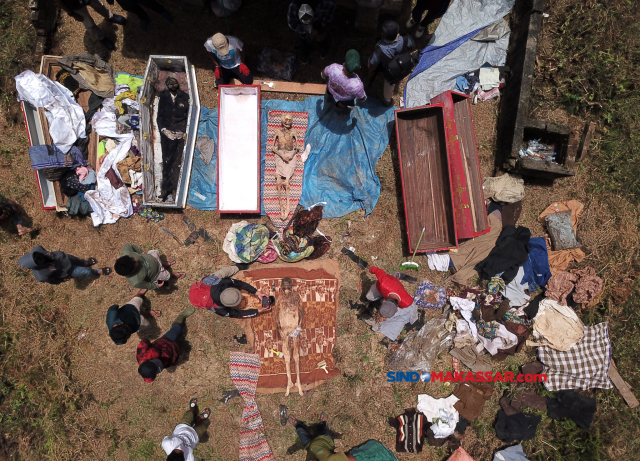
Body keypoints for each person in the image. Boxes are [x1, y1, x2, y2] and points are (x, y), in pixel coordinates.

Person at [137, 306, 195, 383]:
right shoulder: (148, 374)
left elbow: (144, 341)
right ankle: (180, 345)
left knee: (178, 329)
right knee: (179, 350)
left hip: (165, 341)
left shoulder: (143, 352)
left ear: (147, 360)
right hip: (171, 355)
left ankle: (181, 316)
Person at [189, 265, 272, 318]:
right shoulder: (219, 309)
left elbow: (240, 284)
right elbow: (239, 314)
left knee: (224, 272)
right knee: (222, 273)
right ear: (227, 306)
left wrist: (257, 292)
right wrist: (258, 311)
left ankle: (236, 267)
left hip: (208, 285)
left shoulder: (223, 282)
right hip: (203, 294)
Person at [368, 20, 416, 106]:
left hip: (391, 71)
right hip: (404, 65)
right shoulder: (405, 38)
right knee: (398, 75)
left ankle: (387, 101)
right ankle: (397, 82)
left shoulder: (379, 49)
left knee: (389, 86)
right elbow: (412, 46)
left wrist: (370, 71)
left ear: (383, 34)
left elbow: (373, 63)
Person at [157, 77, 189, 203]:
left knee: (178, 160)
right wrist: (164, 130)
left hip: (180, 132)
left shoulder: (184, 97)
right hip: (167, 132)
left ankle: (175, 188)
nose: (173, 86)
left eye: (175, 83)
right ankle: (165, 188)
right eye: (170, 84)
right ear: (167, 86)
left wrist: (183, 131)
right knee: (166, 160)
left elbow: (189, 115)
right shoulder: (163, 96)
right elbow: (160, 116)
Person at [18, 245, 111, 284]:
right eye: (39, 261)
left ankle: (85, 262)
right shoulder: (41, 275)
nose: (42, 258)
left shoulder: (37, 249)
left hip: (65, 258)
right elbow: (52, 280)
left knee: (78, 260)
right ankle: (97, 271)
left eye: (39, 256)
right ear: (35, 266)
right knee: (85, 271)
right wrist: (62, 279)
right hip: (67, 271)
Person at [54, 0, 126, 50]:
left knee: (99, 5)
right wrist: (72, 14)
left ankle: (110, 16)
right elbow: (59, 2)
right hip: (74, 5)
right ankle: (101, 38)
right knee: (88, 23)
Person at [115, 243, 185, 290]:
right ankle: (173, 274)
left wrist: (141, 252)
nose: (136, 259)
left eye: (132, 258)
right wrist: (157, 286)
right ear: (132, 271)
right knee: (168, 276)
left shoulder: (126, 252)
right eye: (134, 263)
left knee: (155, 253)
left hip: (152, 257)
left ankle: (164, 264)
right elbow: (149, 285)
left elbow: (129, 245)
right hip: (157, 274)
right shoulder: (136, 281)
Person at [321, 50, 367, 114]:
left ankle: (328, 99)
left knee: (328, 92)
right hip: (344, 98)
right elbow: (361, 98)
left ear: (344, 64)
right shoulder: (357, 86)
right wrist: (363, 97)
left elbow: (323, 73)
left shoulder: (333, 68)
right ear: (359, 68)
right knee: (343, 103)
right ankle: (337, 110)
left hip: (331, 89)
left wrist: (323, 75)